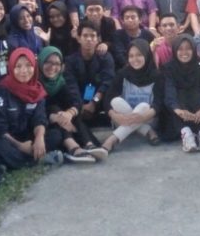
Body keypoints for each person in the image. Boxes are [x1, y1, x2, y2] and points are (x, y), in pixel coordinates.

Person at [0, 48, 64, 169]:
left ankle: (21, 160)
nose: (24, 70)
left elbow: (39, 118)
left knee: (55, 134)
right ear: (11, 67)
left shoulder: (37, 90)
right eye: (18, 66)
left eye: (28, 65)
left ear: (34, 66)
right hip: (8, 140)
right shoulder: (1, 92)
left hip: (29, 137)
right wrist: (20, 146)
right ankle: (36, 159)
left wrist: (39, 138)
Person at [63, 20, 116, 154]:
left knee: (112, 95)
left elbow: (107, 81)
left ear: (98, 39)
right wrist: (80, 105)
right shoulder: (70, 61)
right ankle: (90, 144)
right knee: (70, 108)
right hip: (79, 102)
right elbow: (71, 86)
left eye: (92, 36)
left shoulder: (105, 58)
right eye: (85, 35)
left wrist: (94, 102)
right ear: (78, 38)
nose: (89, 39)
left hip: (99, 101)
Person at [99, 39, 161, 152]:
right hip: (122, 119)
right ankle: (148, 131)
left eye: (139, 55)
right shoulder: (123, 73)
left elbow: (159, 103)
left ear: (147, 55)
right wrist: (114, 116)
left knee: (143, 106)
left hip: (147, 117)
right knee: (115, 101)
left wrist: (143, 117)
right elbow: (107, 99)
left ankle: (112, 140)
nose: (134, 59)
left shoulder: (156, 75)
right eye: (131, 56)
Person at [37, 47, 97, 163]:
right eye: (48, 62)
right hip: (46, 126)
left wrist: (69, 113)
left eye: (57, 64)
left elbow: (76, 100)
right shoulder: (35, 83)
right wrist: (54, 117)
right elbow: (37, 111)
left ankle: (89, 145)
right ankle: (73, 147)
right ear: (41, 62)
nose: (52, 67)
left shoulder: (62, 81)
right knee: (54, 108)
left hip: (66, 122)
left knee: (71, 113)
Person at [160, 35, 200, 152]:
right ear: (175, 50)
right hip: (178, 111)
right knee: (179, 94)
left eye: (188, 48)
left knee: (198, 94)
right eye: (180, 49)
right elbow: (169, 90)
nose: (184, 52)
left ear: (193, 50)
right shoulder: (169, 68)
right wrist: (178, 110)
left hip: (199, 110)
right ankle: (185, 133)